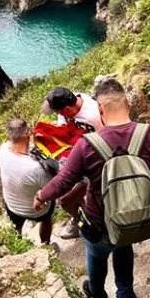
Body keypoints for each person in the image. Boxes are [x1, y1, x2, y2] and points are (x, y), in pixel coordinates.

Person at [33, 79, 150, 298]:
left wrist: (41, 196)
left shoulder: (87, 145)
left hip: (98, 219)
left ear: (101, 110)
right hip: (136, 216)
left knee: (96, 255)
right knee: (123, 248)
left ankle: (97, 294)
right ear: (128, 103)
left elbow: (63, 182)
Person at [42, 87, 104, 239]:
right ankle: (85, 213)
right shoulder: (72, 105)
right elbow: (64, 130)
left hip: (96, 163)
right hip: (78, 155)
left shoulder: (93, 116)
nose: (58, 115)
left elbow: (106, 141)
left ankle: (79, 219)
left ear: (67, 108)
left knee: (65, 200)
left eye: (58, 112)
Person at [0, 119, 55, 245]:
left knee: (16, 226)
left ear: (9, 135)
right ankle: (46, 244)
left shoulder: (3, 150)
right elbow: (51, 189)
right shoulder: (34, 168)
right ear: (27, 134)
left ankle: (16, 245)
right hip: (36, 211)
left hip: (11, 206)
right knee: (47, 218)